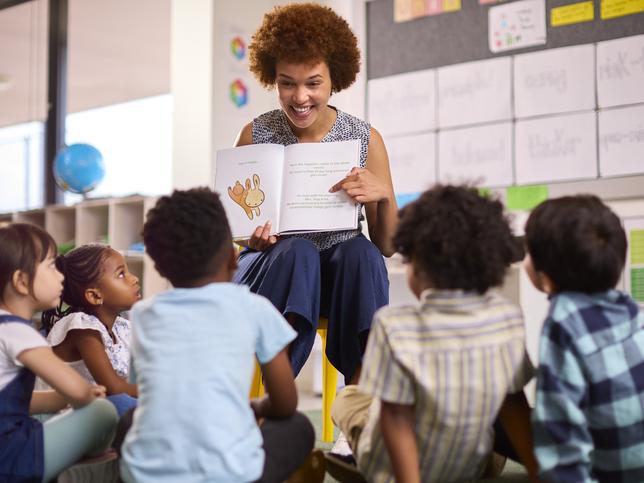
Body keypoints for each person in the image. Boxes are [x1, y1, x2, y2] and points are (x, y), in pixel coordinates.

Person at [233, 2, 398, 385]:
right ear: (272, 78)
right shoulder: (254, 134)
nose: (299, 97)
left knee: (362, 252)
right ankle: (278, 396)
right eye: (287, 82)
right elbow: (238, 235)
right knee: (298, 251)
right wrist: (254, 241)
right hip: (275, 274)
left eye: (313, 82)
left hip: (339, 280)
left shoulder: (364, 138)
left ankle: (361, 399)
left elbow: (387, 245)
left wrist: (385, 196)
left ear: (334, 79)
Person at [329, 186, 539, 483]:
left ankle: (358, 461)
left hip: (396, 468)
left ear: (414, 261)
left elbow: (395, 416)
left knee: (349, 397)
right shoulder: (507, 318)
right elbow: (514, 404)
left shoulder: (393, 326)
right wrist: (537, 471)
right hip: (472, 467)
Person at [120, 188, 324, 483]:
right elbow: (284, 402)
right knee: (298, 427)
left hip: (146, 475)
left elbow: (144, 393)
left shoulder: (142, 315)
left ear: (160, 266)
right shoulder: (254, 308)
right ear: (233, 257)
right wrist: (256, 407)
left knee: (129, 421)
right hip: (231, 474)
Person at [524, 195, 644, 482]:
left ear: (547, 279)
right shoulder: (632, 310)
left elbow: (559, 430)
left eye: (529, 253)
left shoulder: (563, 324)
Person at [0, 223, 117, 482]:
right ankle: (84, 463)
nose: (60, 276)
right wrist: (86, 394)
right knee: (103, 412)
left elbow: (17, 401)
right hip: (15, 458)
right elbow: (76, 391)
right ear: (21, 281)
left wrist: (58, 399)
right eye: (51, 266)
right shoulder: (19, 332)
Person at [40, 244, 140, 417]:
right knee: (121, 404)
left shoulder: (121, 327)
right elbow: (114, 388)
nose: (134, 279)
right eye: (121, 274)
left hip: (93, 410)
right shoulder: (81, 328)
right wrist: (160, 390)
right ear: (95, 296)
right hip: (59, 418)